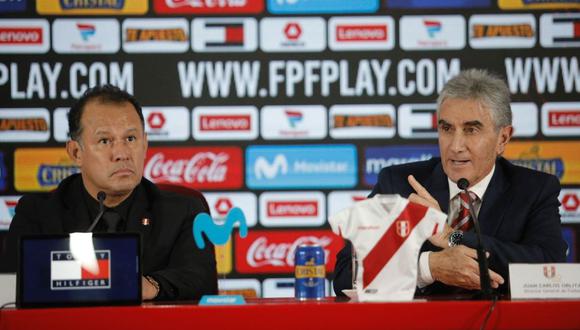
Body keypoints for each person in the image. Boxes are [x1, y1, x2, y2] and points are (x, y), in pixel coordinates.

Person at [333, 69, 567, 296]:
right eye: (446, 128)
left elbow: (549, 269)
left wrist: (450, 237)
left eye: (471, 130)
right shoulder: (399, 185)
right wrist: (429, 267)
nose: (455, 146)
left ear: (502, 138)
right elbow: (347, 273)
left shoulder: (534, 189)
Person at [5, 85, 218, 301]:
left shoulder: (183, 211)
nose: (122, 153)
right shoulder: (38, 214)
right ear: (76, 152)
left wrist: (149, 286)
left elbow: (202, 280)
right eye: (105, 141)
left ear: (145, 144)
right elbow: (10, 291)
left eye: (131, 139)